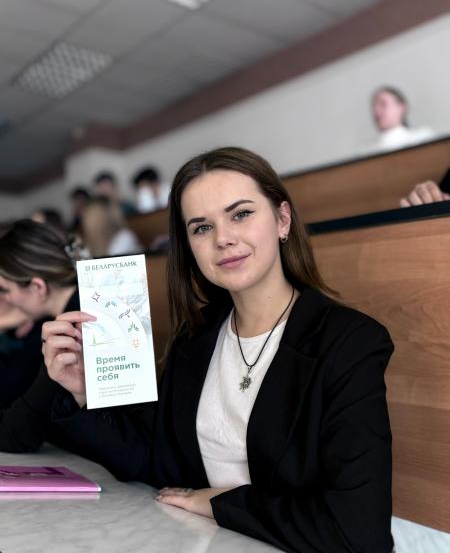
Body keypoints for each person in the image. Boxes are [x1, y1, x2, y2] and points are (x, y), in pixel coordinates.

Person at [43, 147, 394, 553]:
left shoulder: (349, 343)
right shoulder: (194, 339)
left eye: (240, 214)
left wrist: (220, 504)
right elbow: (155, 462)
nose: (223, 239)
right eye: (201, 228)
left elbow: (357, 531)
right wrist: (85, 392)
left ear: (282, 219)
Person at [0, 220, 91, 452]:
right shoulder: (59, 316)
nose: (6, 300)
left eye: (5, 290)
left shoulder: (74, 329)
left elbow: (15, 435)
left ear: (38, 288)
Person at [359, 86, 435, 155]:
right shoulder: (366, 153)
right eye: (374, 106)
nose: (377, 111)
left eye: (383, 104)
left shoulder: (423, 138)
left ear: (401, 107)